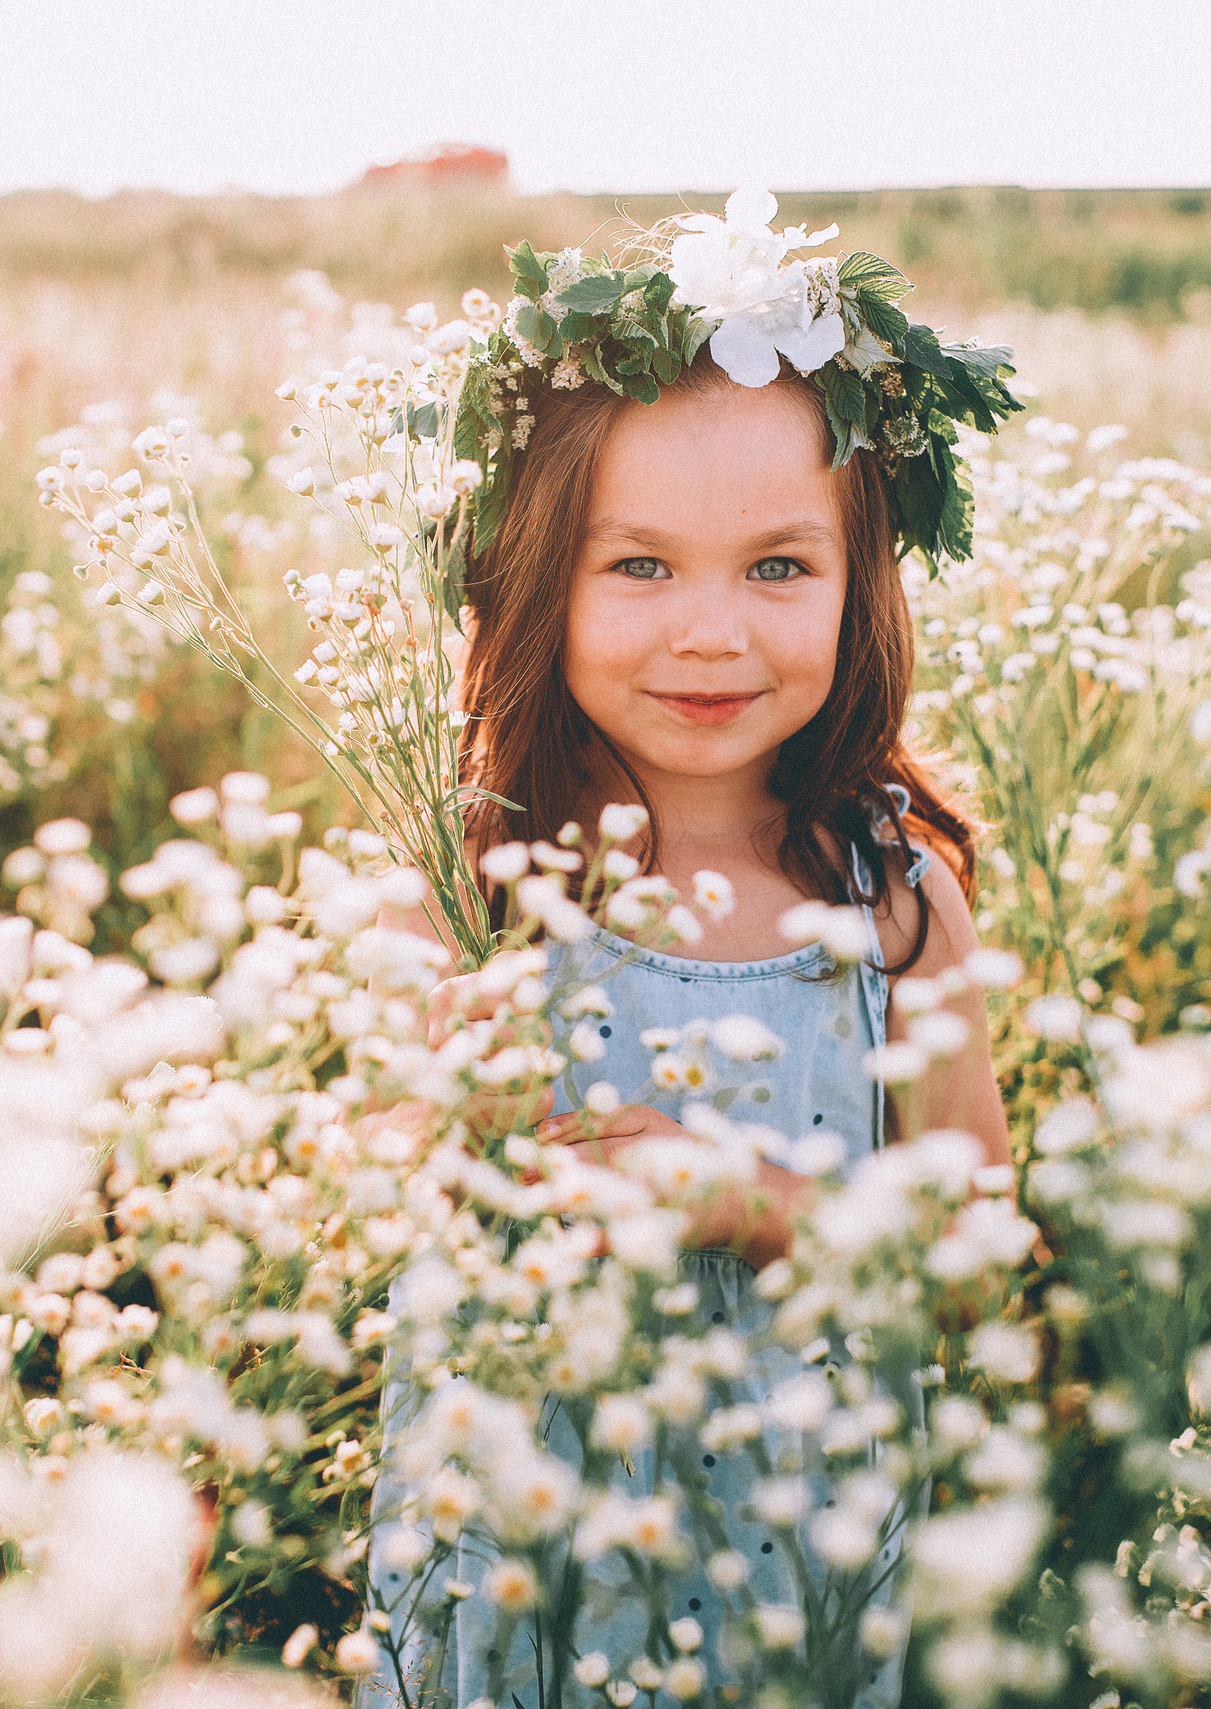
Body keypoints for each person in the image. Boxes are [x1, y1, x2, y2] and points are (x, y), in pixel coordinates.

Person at [363, 195, 1022, 1709]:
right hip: (517, 1550)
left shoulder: (895, 902)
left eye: (778, 568)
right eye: (640, 567)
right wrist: (452, 1110)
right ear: (531, 578)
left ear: (864, 586)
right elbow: (380, 1191)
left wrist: (752, 1201)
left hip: (797, 1562)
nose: (711, 632)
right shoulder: (468, 882)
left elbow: (978, 1261)